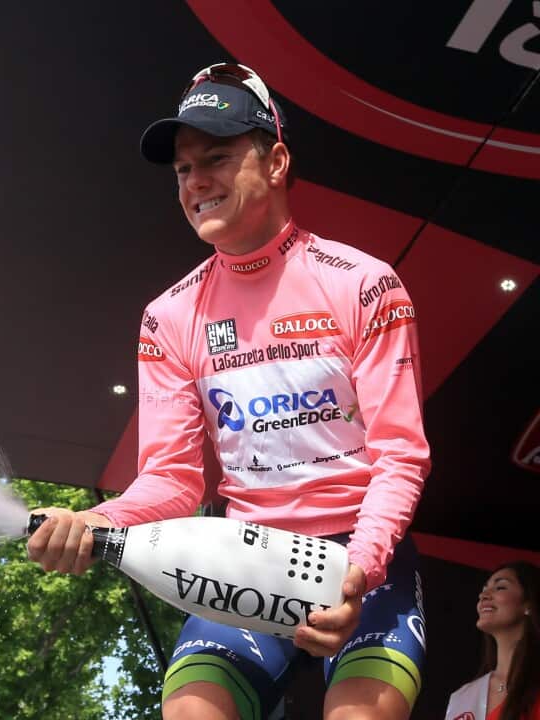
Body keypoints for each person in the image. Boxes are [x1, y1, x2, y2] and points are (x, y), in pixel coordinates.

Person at [27, 62, 431, 720]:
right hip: (242, 560)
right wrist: (95, 522)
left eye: (214, 157)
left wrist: (358, 569)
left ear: (275, 163)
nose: (195, 182)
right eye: (183, 170)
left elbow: (400, 454)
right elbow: (173, 482)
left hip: (362, 560)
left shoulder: (365, 284)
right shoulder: (169, 316)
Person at [445, 562, 539, 720]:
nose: (484, 595)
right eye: (483, 590)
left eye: (500, 587)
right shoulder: (463, 697)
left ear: (528, 603)